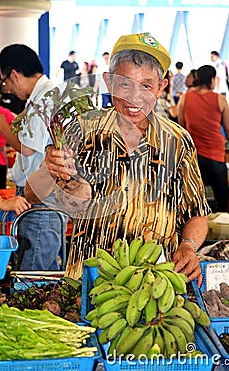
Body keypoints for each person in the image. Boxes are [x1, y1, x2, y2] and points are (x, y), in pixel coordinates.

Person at [26, 32, 210, 285]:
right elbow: (31, 194)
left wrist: (188, 246)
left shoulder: (178, 141)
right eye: (125, 84)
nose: (135, 98)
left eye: (146, 85)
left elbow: (197, 212)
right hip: (88, 281)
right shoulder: (81, 129)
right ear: (108, 82)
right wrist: (51, 169)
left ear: (161, 87)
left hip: (158, 285)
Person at [0, 44, 66, 271]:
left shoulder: (45, 99)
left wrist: (2, 127)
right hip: (40, 193)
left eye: (5, 82)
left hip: (40, 196)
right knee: (38, 264)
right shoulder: (42, 96)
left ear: (14, 74)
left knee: (33, 271)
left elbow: (28, 148)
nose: (8, 89)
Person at [178, 64, 229, 213]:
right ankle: (220, 222)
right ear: (212, 80)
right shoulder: (220, 99)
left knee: (195, 198)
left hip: (194, 156)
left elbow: (181, 127)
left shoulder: (185, 98)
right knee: (222, 197)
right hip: (215, 155)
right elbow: (227, 128)